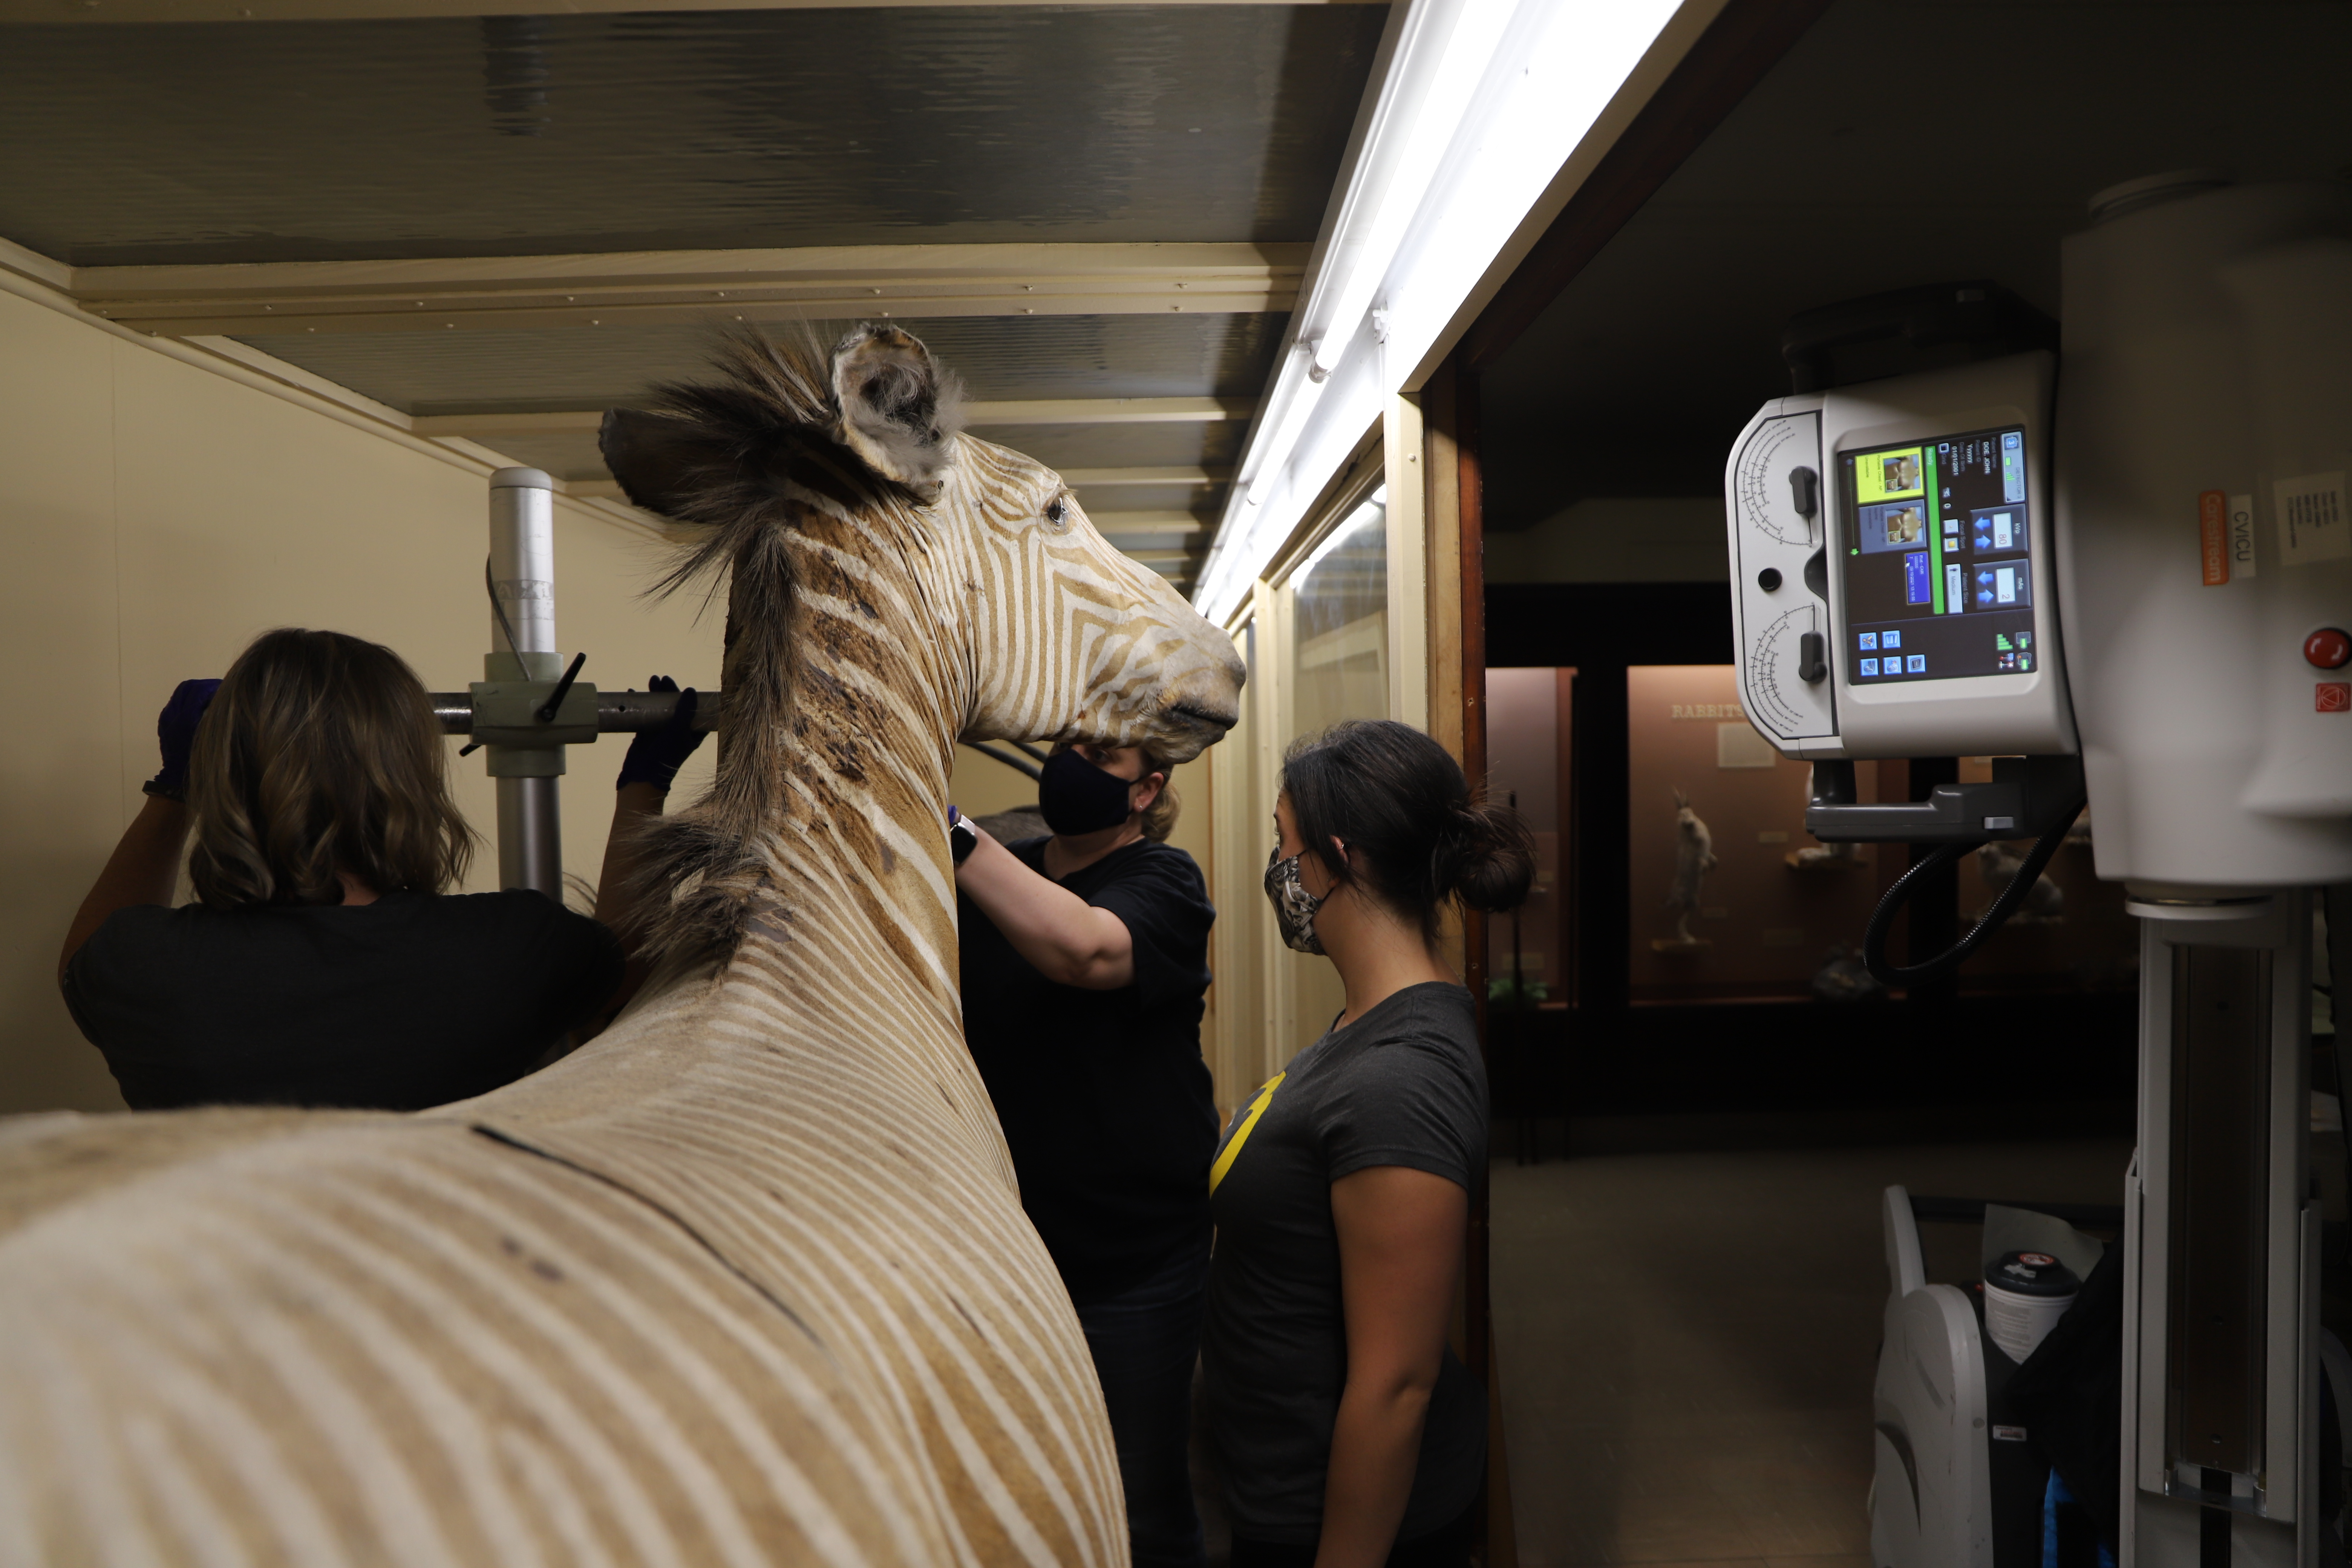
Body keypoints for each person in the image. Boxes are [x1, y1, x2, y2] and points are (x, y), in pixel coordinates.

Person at [1201, 719, 1534, 1568]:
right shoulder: (1371, 1021)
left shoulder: (1400, 1081)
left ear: (1338, 857)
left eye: (1286, 844)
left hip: (1339, 1527)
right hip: (1278, 1492)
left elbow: (1395, 1386)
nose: (1281, 869)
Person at [59, 627, 624, 1112]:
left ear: (224, 772)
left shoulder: (143, 966)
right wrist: (646, 789)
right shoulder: (515, 947)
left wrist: (174, 789)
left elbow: (81, 958)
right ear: (409, 774)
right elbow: (643, 987)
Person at [951, 740, 1219, 1568]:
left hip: (1132, 1264)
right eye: (1070, 744)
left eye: (1102, 755)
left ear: (1147, 790)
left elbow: (1086, 950)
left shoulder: (1165, 883)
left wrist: (947, 825)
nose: (1070, 763)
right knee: (1018, 1493)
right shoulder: (1009, 869)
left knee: (1141, 1510)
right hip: (1008, 1257)